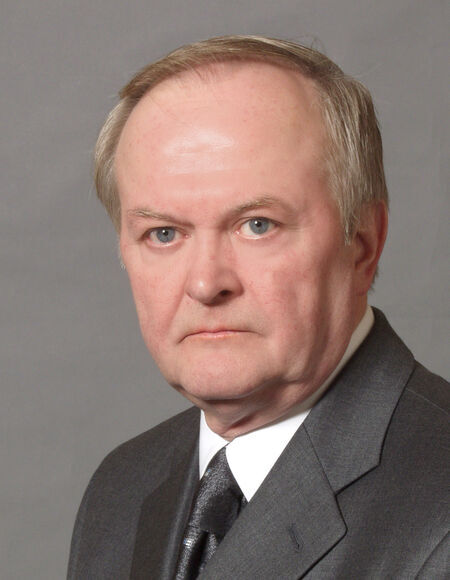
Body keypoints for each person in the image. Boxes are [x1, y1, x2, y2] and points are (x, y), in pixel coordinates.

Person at [68, 36, 448, 579]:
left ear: (363, 243)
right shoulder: (121, 489)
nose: (206, 284)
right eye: (164, 233)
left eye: (257, 225)